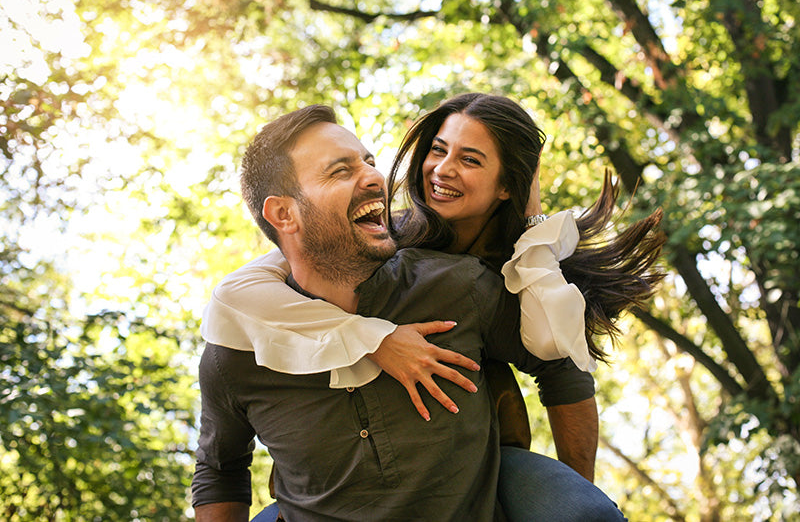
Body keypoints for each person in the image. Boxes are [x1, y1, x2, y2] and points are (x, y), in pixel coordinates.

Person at [192, 105, 627, 521]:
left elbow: (560, 365)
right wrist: (373, 337)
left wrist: (575, 487)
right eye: (342, 170)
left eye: (369, 162)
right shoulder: (241, 341)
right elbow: (219, 468)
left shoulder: (467, 282)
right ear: (283, 214)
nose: (374, 177)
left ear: (506, 187)